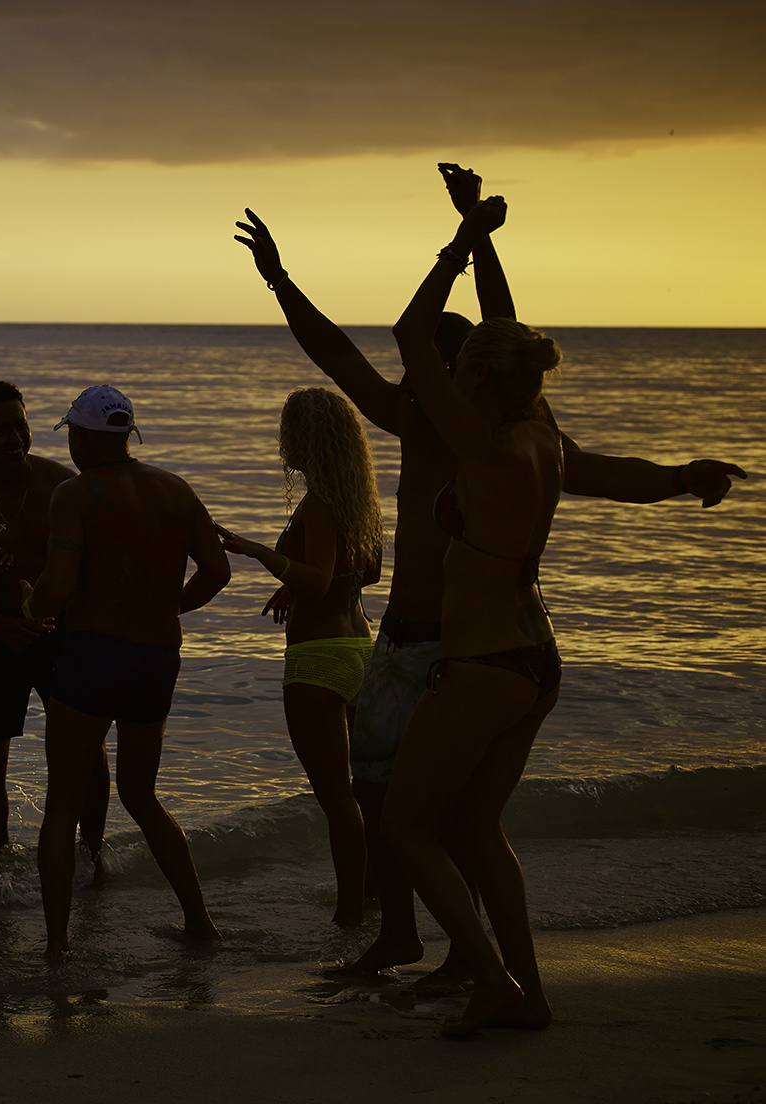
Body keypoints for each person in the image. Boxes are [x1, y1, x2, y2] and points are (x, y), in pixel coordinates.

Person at [235, 163, 747, 986]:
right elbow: (380, 347)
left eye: (428, 369)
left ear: (456, 374)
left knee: (419, 812)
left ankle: (470, 964)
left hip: (453, 650)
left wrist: (468, 239)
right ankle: (419, 941)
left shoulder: (459, 427)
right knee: (433, 810)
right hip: (470, 641)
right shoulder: (493, 423)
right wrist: (290, 282)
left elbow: (364, 354)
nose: (405, 380)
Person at [378, 194, 563, 1034]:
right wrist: (676, 478)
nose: (446, 379)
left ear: (476, 379)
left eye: (464, 372)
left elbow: (410, 335)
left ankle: (491, 980)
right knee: (477, 823)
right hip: (535, 657)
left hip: (485, 662)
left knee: (405, 822)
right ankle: (526, 990)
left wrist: (459, 241)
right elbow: (508, 330)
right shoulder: (539, 431)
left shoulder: (482, 440)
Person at [24, 386, 231, 962]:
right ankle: (200, 921)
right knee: (143, 795)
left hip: (92, 654)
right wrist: (168, 607)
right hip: (155, 657)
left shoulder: (75, 493)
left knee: (63, 803)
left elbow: (56, 591)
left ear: (86, 435)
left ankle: (58, 945)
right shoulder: (176, 490)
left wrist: (26, 603)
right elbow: (217, 571)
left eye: (70, 433)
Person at [214, 387, 383, 926]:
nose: (283, 442)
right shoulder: (361, 500)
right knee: (363, 794)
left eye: (289, 431)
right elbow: (366, 575)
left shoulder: (319, 503)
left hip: (318, 660)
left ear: (304, 439)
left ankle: (348, 916)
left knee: (337, 800)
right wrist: (304, 578)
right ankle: (374, 895)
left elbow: (317, 580)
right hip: (362, 649)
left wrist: (258, 551)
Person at [0, 382, 109, 863]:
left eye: (21, 424)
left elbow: (96, 571)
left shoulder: (61, 485)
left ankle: (92, 856)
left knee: (85, 750)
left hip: (62, 637)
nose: (15, 437)